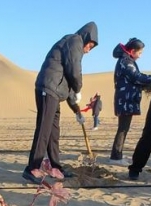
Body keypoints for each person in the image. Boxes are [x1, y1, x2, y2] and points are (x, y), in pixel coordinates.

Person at [22, 22, 99, 183]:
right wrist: (79, 88)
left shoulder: (73, 47)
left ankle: (55, 166)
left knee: (53, 132)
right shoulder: (75, 41)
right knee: (44, 128)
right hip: (47, 89)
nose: (89, 50)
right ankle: (32, 168)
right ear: (86, 38)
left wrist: (77, 110)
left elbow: (68, 82)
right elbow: (74, 71)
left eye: (92, 48)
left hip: (55, 93)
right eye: (89, 46)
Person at [108, 37, 151, 165]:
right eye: (139, 53)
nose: (140, 56)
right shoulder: (126, 61)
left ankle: (117, 155)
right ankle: (115, 157)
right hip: (125, 100)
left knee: (124, 128)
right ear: (132, 51)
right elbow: (136, 76)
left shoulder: (127, 60)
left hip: (128, 99)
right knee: (123, 128)